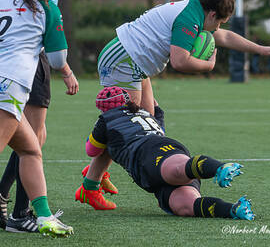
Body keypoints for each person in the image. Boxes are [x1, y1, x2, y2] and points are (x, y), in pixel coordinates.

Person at [87, 0, 270, 207]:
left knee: (146, 120)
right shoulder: (188, 19)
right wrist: (209, 65)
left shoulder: (195, 10)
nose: (217, 29)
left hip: (133, 61)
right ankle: (91, 185)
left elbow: (222, 37)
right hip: (124, 60)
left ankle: (95, 174)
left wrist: (259, 49)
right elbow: (180, 61)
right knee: (130, 126)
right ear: (212, 15)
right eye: (220, 22)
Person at [75, 86, 255, 221]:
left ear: (102, 109)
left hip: (148, 151)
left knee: (176, 171)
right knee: (185, 206)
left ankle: (220, 168)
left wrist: (101, 139)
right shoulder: (143, 112)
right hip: (159, 158)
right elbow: (157, 112)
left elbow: (92, 151)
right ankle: (233, 210)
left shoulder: (106, 119)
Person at [0, 0, 77, 236]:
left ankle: (44, 217)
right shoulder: (46, 8)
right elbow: (57, 60)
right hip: (7, 84)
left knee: (30, 150)